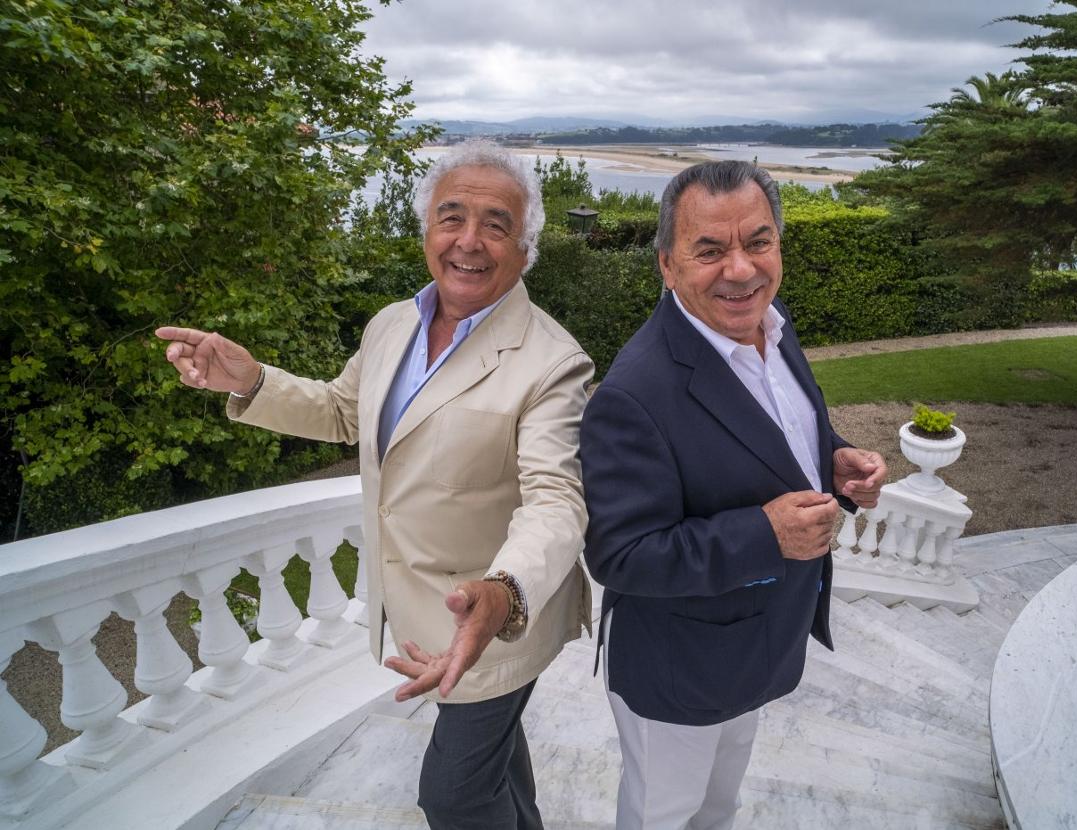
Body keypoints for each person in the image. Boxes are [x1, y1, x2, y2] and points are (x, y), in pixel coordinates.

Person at [156, 140, 593, 830]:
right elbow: (342, 412)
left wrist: (504, 591)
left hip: (493, 622)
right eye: (451, 218)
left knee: (452, 794)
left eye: (496, 224)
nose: (469, 241)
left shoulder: (552, 360)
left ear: (525, 248)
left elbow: (556, 502)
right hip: (423, 612)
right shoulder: (393, 323)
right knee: (493, 761)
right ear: (427, 231)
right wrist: (253, 381)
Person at [580, 160, 887, 829]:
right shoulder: (634, 395)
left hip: (754, 647)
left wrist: (831, 458)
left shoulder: (773, 325)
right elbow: (620, 555)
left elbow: (776, 429)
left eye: (758, 242)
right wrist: (765, 535)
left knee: (718, 808)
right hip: (680, 668)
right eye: (710, 250)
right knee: (662, 813)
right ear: (667, 265)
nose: (742, 270)